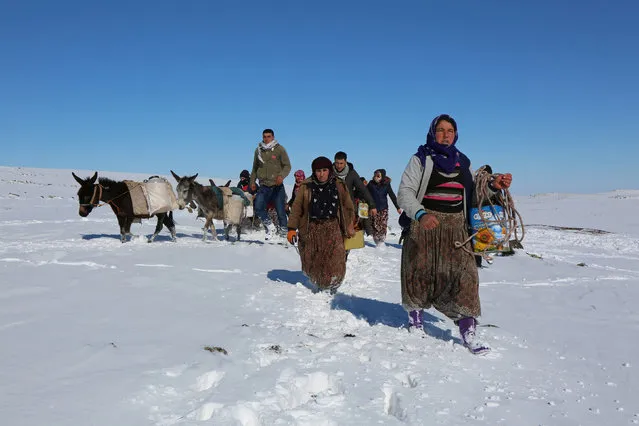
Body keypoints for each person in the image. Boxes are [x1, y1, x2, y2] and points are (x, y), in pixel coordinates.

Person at [397, 114, 512, 355]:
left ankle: (467, 327)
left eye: (450, 130)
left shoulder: (463, 162)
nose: (446, 134)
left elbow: (473, 196)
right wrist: (420, 214)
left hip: (457, 228)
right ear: (432, 132)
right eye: (441, 130)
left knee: (465, 276)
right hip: (424, 224)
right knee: (419, 271)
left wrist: (492, 186)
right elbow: (405, 192)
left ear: (456, 134)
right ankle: (416, 319)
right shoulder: (421, 159)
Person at [287, 156, 355, 294]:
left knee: (336, 257)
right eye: (318, 171)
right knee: (314, 258)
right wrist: (291, 228)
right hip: (312, 227)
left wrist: (350, 225)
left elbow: (348, 207)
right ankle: (320, 284)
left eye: (324, 170)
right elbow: (297, 208)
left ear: (330, 170)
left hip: (333, 226)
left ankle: (334, 284)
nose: (322, 174)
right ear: (314, 171)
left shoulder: (338, 185)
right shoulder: (306, 186)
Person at [250, 129, 291, 239]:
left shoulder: (280, 149)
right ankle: (270, 226)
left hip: (277, 186)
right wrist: (252, 181)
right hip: (264, 186)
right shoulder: (258, 150)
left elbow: (287, 166)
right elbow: (254, 168)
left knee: (280, 211)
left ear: (273, 137)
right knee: (258, 207)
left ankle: (284, 236)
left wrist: (281, 176)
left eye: (268, 136)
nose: (266, 138)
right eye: (264, 136)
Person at [333, 151, 377, 217]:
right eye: (337, 163)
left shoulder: (352, 173)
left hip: (348, 206)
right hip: (333, 206)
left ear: (345, 162)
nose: (339, 166)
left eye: (341, 163)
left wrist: (372, 205)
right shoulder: (329, 172)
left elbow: (362, 189)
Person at [367, 169, 401, 246]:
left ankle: (381, 242)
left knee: (382, 225)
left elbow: (392, 195)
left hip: (383, 208)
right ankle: (377, 242)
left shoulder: (386, 184)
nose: (376, 177)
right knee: (375, 226)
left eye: (378, 176)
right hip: (373, 208)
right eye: (375, 175)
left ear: (382, 177)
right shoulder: (371, 184)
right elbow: (365, 193)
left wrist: (397, 207)